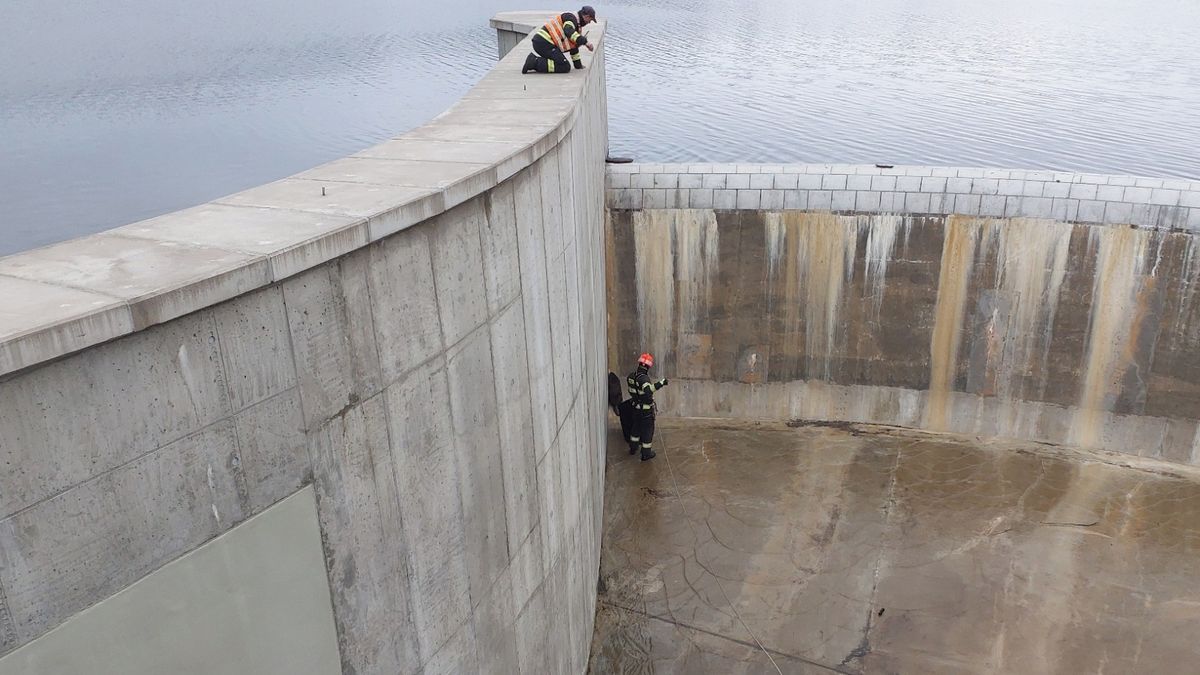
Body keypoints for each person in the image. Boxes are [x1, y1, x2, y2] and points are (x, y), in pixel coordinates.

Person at [522, 7, 597, 74]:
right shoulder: (571, 18)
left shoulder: (576, 25)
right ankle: (534, 62)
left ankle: (535, 61)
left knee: (561, 63)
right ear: (587, 16)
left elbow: (573, 47)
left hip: (544, 43)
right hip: (544, 43)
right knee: (564, 66)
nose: (589, 22)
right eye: (590, 20)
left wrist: (578, 65)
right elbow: (568, 31)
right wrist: (585, 42)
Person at [626, 352, 668, 461]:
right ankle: (646, 453)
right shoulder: (643, 379)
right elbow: (648, 390)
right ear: (648, 366)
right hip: (645, 411)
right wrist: (661, 383)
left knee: (635, 428)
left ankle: (633, 448)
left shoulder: (631, 376)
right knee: (648, 431)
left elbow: (631, 391)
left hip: (635, 408)